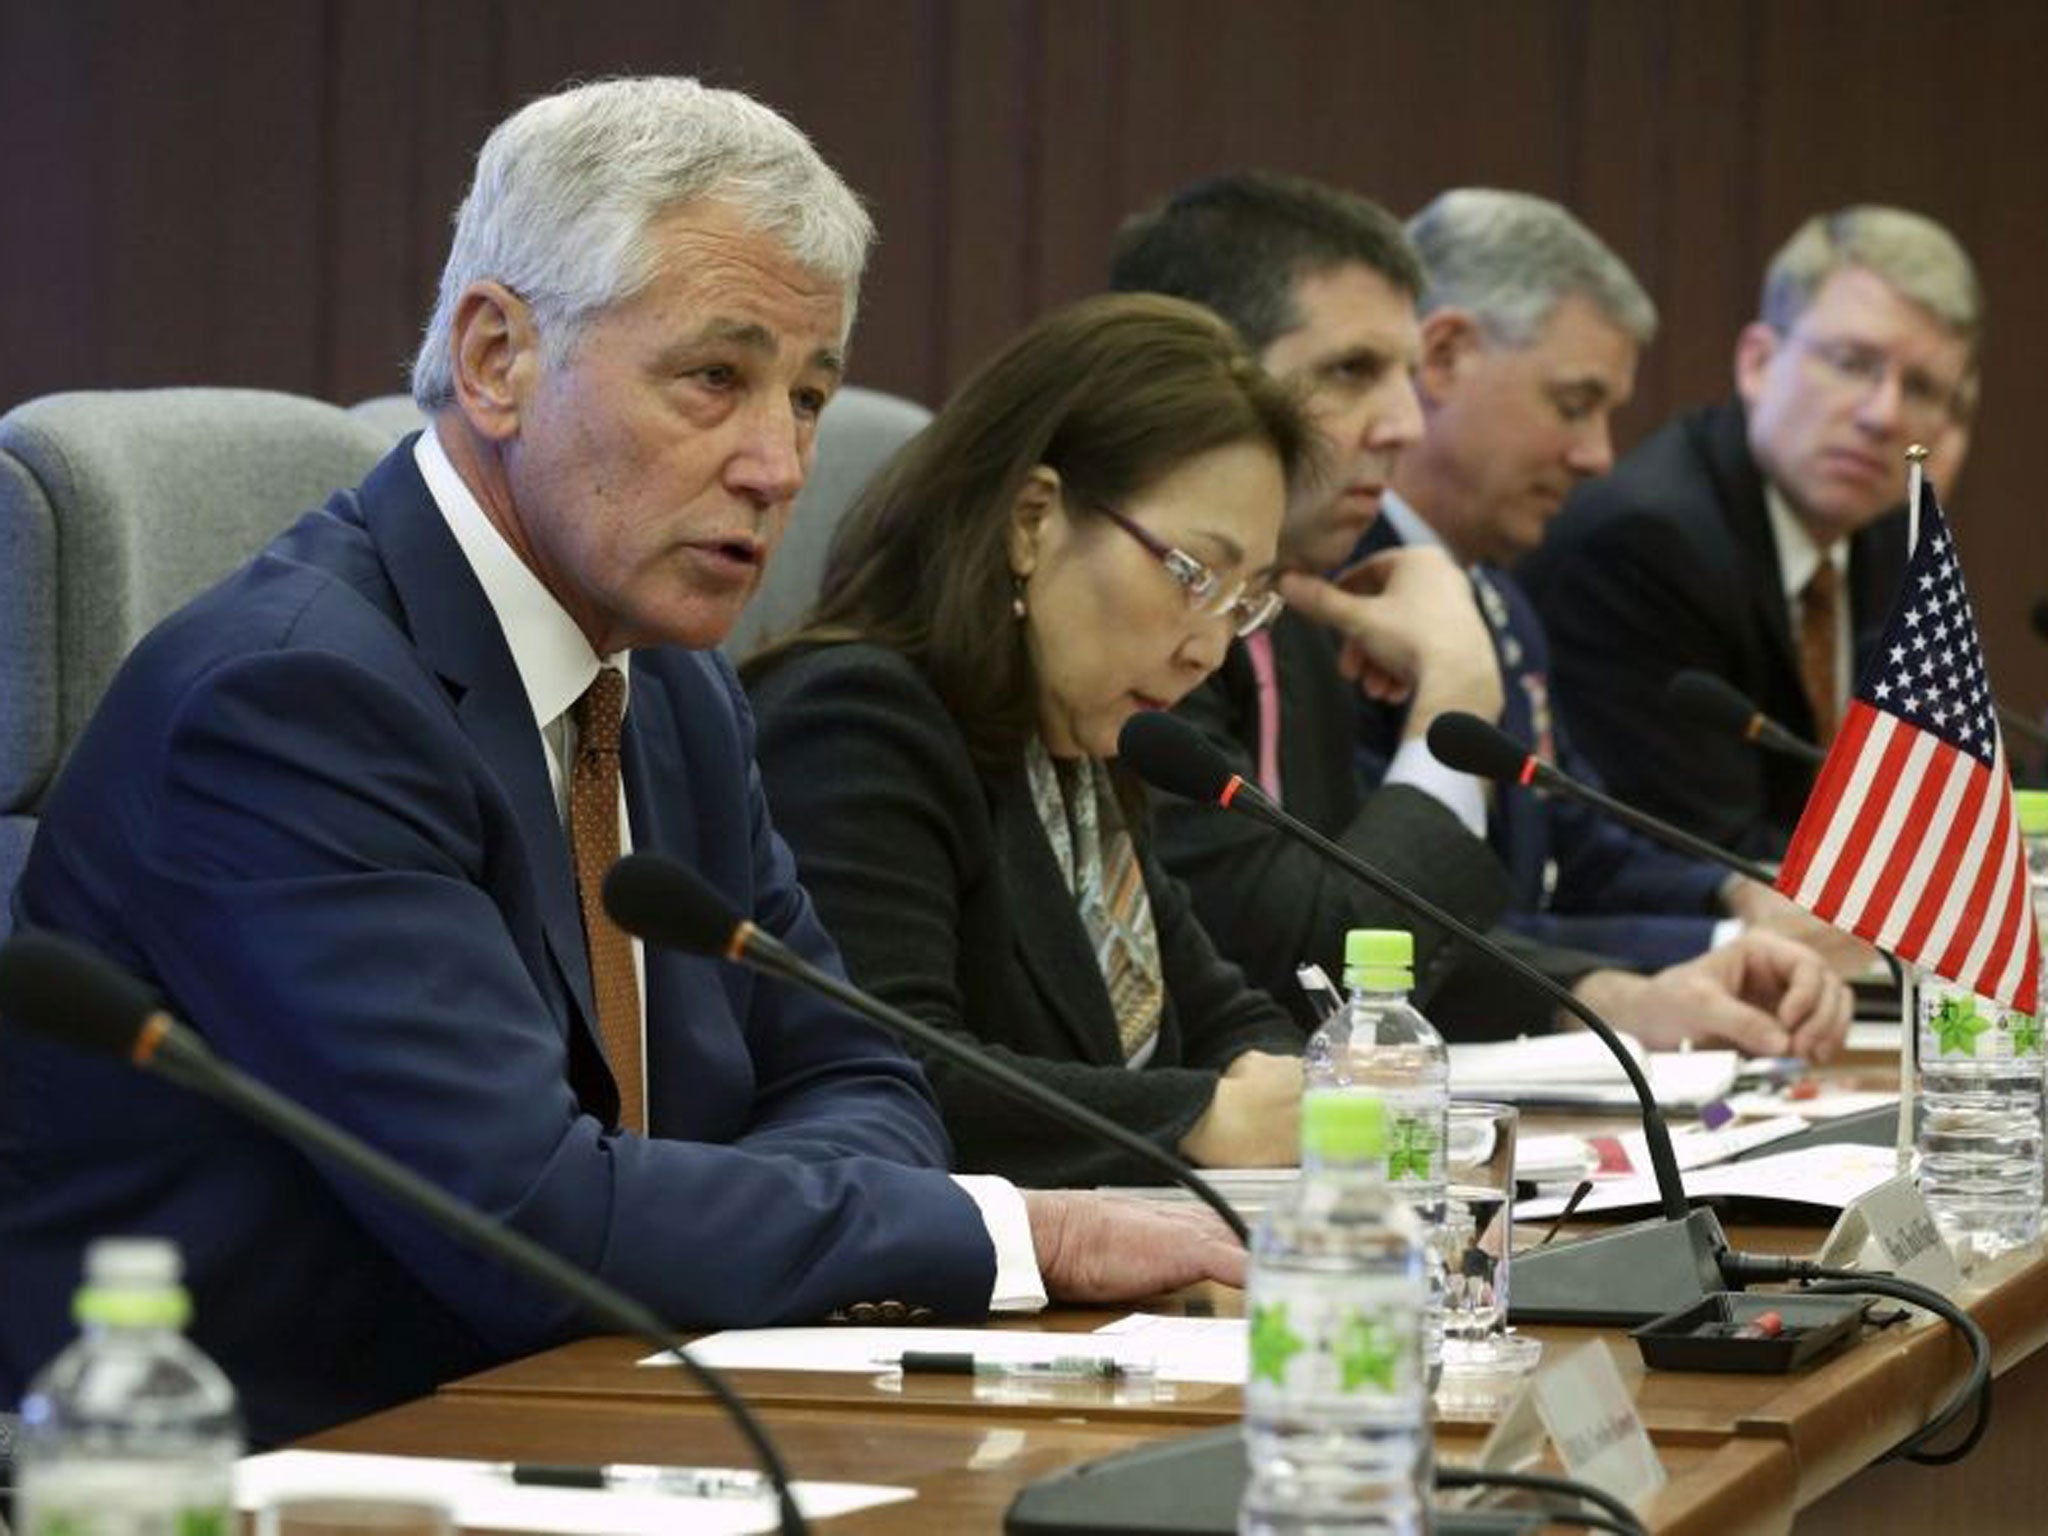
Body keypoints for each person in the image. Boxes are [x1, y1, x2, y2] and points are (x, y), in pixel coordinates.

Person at [0, 78, 1241, 1448]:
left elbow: (863, 1075)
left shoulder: (670, 696)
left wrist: (747, 1224)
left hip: (634, 1418)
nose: (777, 463)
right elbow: (525, 1219)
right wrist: (1023, 1231)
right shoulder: (292, 702)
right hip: (305, 1461)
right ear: (496, 358)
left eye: (809, 395)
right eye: (715, 378)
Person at [1112, 173, 1852, 1058]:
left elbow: (1359, 946)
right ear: (1208, 378)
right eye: (1353, 372)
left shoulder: (1311, 606)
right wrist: (1451, 695)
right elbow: (1329, 964)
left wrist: (1611, 990)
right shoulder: (1176, 629)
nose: (1404, 424)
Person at [745, 294, 1313, 1187]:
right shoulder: (855, 719)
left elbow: (1228, 1014)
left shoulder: (1075, 755)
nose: (1209, 646)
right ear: (1030, 518)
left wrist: (1269, 1083)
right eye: (1193, 575)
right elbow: (888, 1070)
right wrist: (1203, 1115)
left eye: (1244, 602)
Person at [1360, 188, 1866, 974]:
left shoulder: (1502, 600)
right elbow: (1410, 927)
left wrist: (1733, 898)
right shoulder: (1343, 597)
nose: (1599, 454)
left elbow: (1578, 841)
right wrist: (1720, 947)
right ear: (1445, 355)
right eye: (1574, 404)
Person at [1521, 206, 1983, 859]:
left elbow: (1930, 798)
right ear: (1759, 363)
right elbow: (1710, 849)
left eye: (1923, 388)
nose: (1884, 416)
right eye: (1853, 363)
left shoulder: (1884, 538)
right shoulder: (1649, 545)